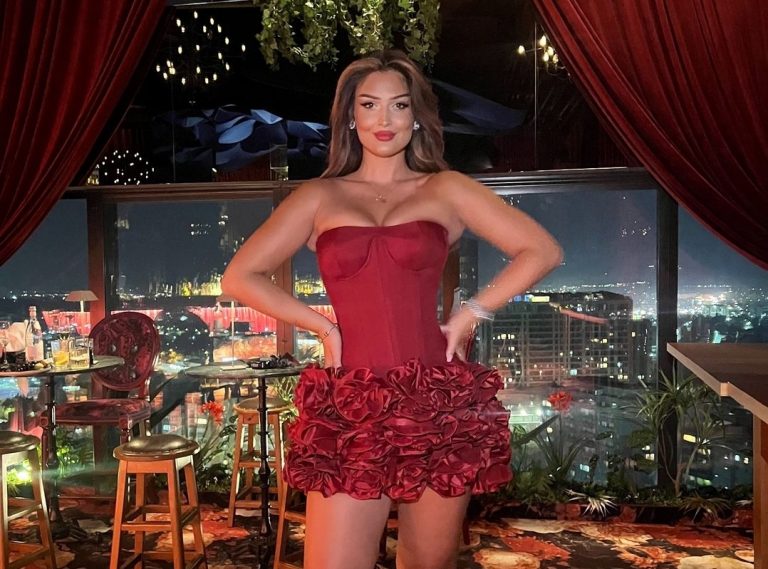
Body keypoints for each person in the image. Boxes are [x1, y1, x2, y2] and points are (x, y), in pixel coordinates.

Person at [222, 50, 562, 569]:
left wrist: (472, 312)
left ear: (417, 116)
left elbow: (541, 250)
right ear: (350, 116)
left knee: (427, 564)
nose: (385, 119)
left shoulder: (445, 187)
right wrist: (322, 326)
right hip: (350, 403)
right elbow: (240, 276)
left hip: (436, 400)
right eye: (369, 104)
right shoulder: (319, 196)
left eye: (399, 105)